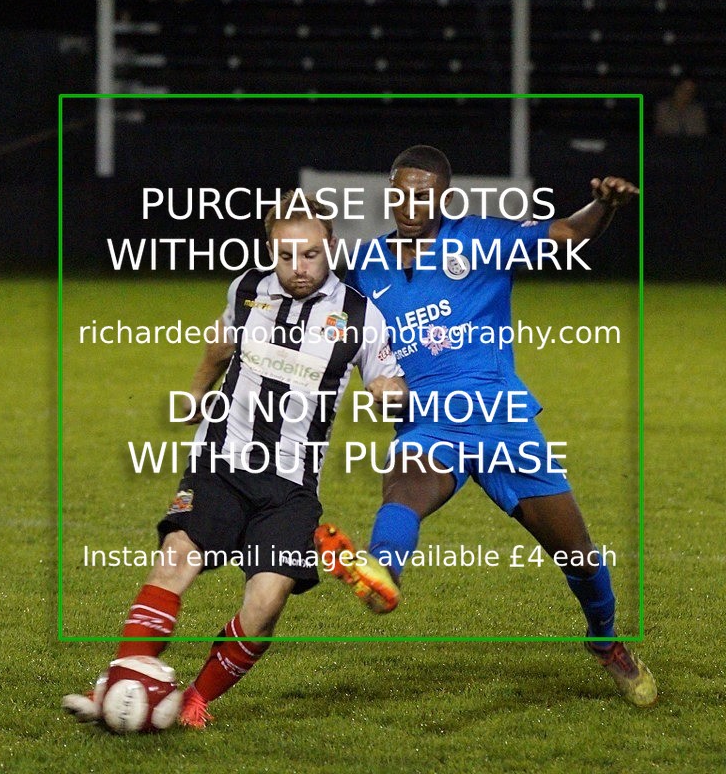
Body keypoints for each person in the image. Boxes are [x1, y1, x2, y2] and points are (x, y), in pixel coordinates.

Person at [315, 145, 657, 708]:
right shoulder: (367, 262)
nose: (409, 203)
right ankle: (382, 574)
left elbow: (566, 235)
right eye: (399, 192)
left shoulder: (481, 238)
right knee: (404, 483)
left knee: (579, 556)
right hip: (430, 421)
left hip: (502, 422)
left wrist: (604, 206)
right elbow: (327, 311)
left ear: (445, 197)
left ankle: (605, 640)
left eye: (422, 194)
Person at [63, 191, 407, 728]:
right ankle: (123, 681)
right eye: (286, 255)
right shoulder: (246, 289)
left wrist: (389, 391)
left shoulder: (362, 315)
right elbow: (220, 345)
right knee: (177, 555)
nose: (298, 268)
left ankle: (192, 698)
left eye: (311, 255)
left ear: (332, 247)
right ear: (270, 249)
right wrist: (197, 395)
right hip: (219, 463)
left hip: (292, 484)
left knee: (267, 602)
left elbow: (388, 380)